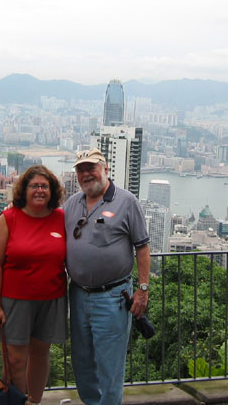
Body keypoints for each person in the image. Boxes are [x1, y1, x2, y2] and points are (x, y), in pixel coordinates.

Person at [64, 149, 151, 405]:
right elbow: (46, 222)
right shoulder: (72, 203)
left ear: (106, 169)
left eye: (91, 167)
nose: (86, 174)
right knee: (81, 362)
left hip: (112, 297)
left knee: (110, 366)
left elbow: (142, 247)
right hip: (78, 295)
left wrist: (143, 288)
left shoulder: (126, 202)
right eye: (81, 170)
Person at [0, 165, 67, 405]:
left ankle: (34, 401)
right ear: (25, 189)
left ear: (52, 190)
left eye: (44, 186)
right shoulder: (9, 218)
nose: (40, 190)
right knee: (15, 360)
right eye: (34, 186)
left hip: (51, 299)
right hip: (14, 301)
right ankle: (16, 401)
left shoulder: (61, 218)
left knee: (41, 355)